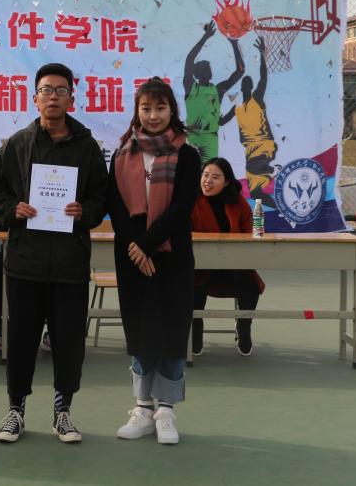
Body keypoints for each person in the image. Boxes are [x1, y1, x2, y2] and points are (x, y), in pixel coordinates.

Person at [0, 63, 108, 444]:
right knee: (21, 339)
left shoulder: (87, 147)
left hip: (70, 263)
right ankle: (15, 410)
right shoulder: (17, 144)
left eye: (60, 90)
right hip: (26, 261)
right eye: (46, 90)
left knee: (69, 341)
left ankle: (62, 411)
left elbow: (101, 196)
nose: (53, 97)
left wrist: (85, 211)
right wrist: (12, 210)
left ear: (71, 98)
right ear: (35, 98)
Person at [109, 77, 200, 445]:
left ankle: (166, 411)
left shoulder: (187, 155)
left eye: (160, 107)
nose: (153, 115)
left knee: (172, 334)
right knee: (141, 332)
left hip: (172, 256)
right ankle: (142, 409)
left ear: (171, 110)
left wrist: (145, 245)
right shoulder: (121, 154)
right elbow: (116, 207)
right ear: (137, 111)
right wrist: (136, 249)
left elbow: (182, 208)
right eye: (146, 108)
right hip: (132, 258)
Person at [190, 157, 265, 356]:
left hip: (233, 265)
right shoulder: (192, 201)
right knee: (193, 287)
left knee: (251, 286)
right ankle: (195, 330)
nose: (208, 181)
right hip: (201, 267)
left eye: (215, 177)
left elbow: (250, 233)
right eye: (205, 175)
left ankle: (244, 326)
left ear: (227, 182)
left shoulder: (238, 202)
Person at [220, 37, 276, 201]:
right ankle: (276, 207)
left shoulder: (257, 98)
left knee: (256, 189)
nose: (245, 85)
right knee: (255, 193)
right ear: (241, 87)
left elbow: (263, 78)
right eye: (244, 83)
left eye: (248, 83)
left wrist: (262, 55)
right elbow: (220, 122)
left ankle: (268, 176)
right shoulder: (237, 108)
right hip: (250, 150)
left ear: (251, 87)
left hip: (263, 145)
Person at [183, 21, 245, 163]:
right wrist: (205, 38)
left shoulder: (217, 90)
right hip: (192, 137)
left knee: (209, 171)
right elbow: (189, 60)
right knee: (191, 172)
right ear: (197, 74)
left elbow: (240, 71)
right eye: (205, 69)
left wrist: (234, 45)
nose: (208, 71)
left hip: (210, 138)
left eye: (208, 69)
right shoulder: (190, 87)